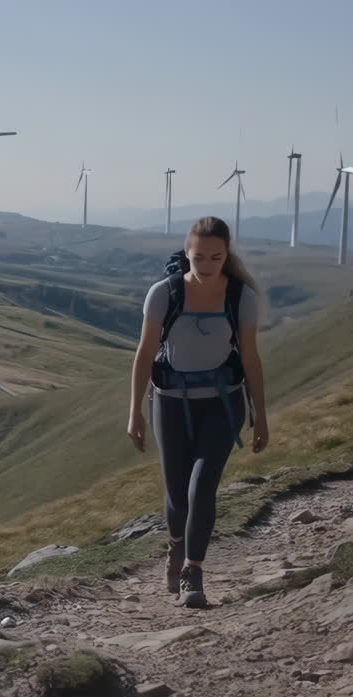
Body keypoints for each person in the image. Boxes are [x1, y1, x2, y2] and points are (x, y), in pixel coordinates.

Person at [126, 216, 269, 608]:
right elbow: (143, 354)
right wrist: (135, 412)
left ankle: (194, 571)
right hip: (170, 404)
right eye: (199, 257)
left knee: (201, 486)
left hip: (223, 404)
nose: (206, 265)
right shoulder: (164, 293)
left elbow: (252, 360)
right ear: (186, 252)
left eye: (216, 257)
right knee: (176, 493)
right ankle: (176, 547)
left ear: (227, 255)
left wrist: (261, 416)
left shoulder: (242, 297)